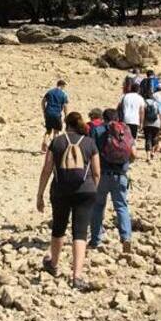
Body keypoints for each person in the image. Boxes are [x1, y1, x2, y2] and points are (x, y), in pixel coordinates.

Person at [37, 112, 101, 288]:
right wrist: (93, 189)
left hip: (60, 190)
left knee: (59, 228)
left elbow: (46, 169)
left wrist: (40, 194)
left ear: (66, 124)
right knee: (80, 232)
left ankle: (54, 264)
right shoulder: (90, 143)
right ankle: (77, 276)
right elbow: (96, 172)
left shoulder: (56, 142)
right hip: (85, 191)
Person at [88, 109, 134, 254]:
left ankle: (96, 240)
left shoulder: (97, 130)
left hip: (101, 175)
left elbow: (91, 153)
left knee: (97, 206)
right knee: (122, 207)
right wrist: (126, 164)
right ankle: (126, 237)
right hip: (120, 175)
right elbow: (134, 154)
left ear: (103, 118)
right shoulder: (125, 131)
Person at [41, 80, 69, 153]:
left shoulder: (50, 92)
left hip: (48, 112)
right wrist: (66, 116)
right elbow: (65, 106)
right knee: (56, 131)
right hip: (57, 114)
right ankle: (54, 148)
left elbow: (43, 101)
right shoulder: (63, 94)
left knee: (48, 130)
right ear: (62, 85)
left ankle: (44, 145)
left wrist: (44, 111)